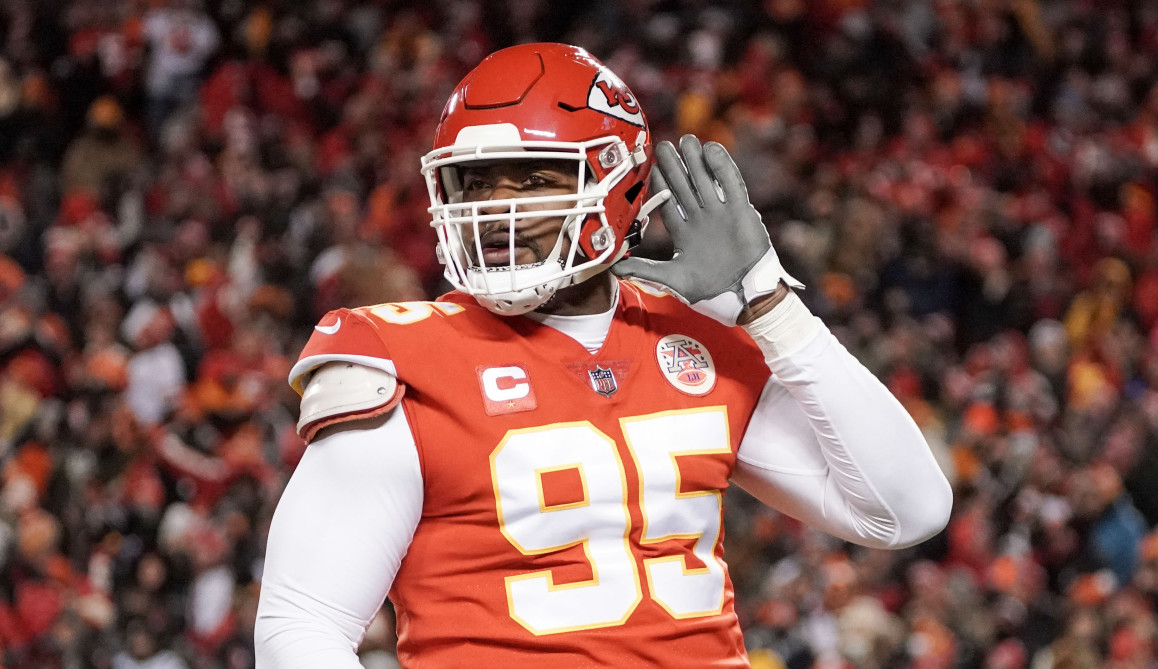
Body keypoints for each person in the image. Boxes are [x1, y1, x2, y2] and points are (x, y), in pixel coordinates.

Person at [254, 43, 952, 668]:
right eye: (476, 182)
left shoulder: (696, 342)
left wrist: (770, 304)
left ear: (615, 188)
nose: (494, 211)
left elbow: (905, 509)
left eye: (531, 180)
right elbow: (301, 623)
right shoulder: (400, 355)